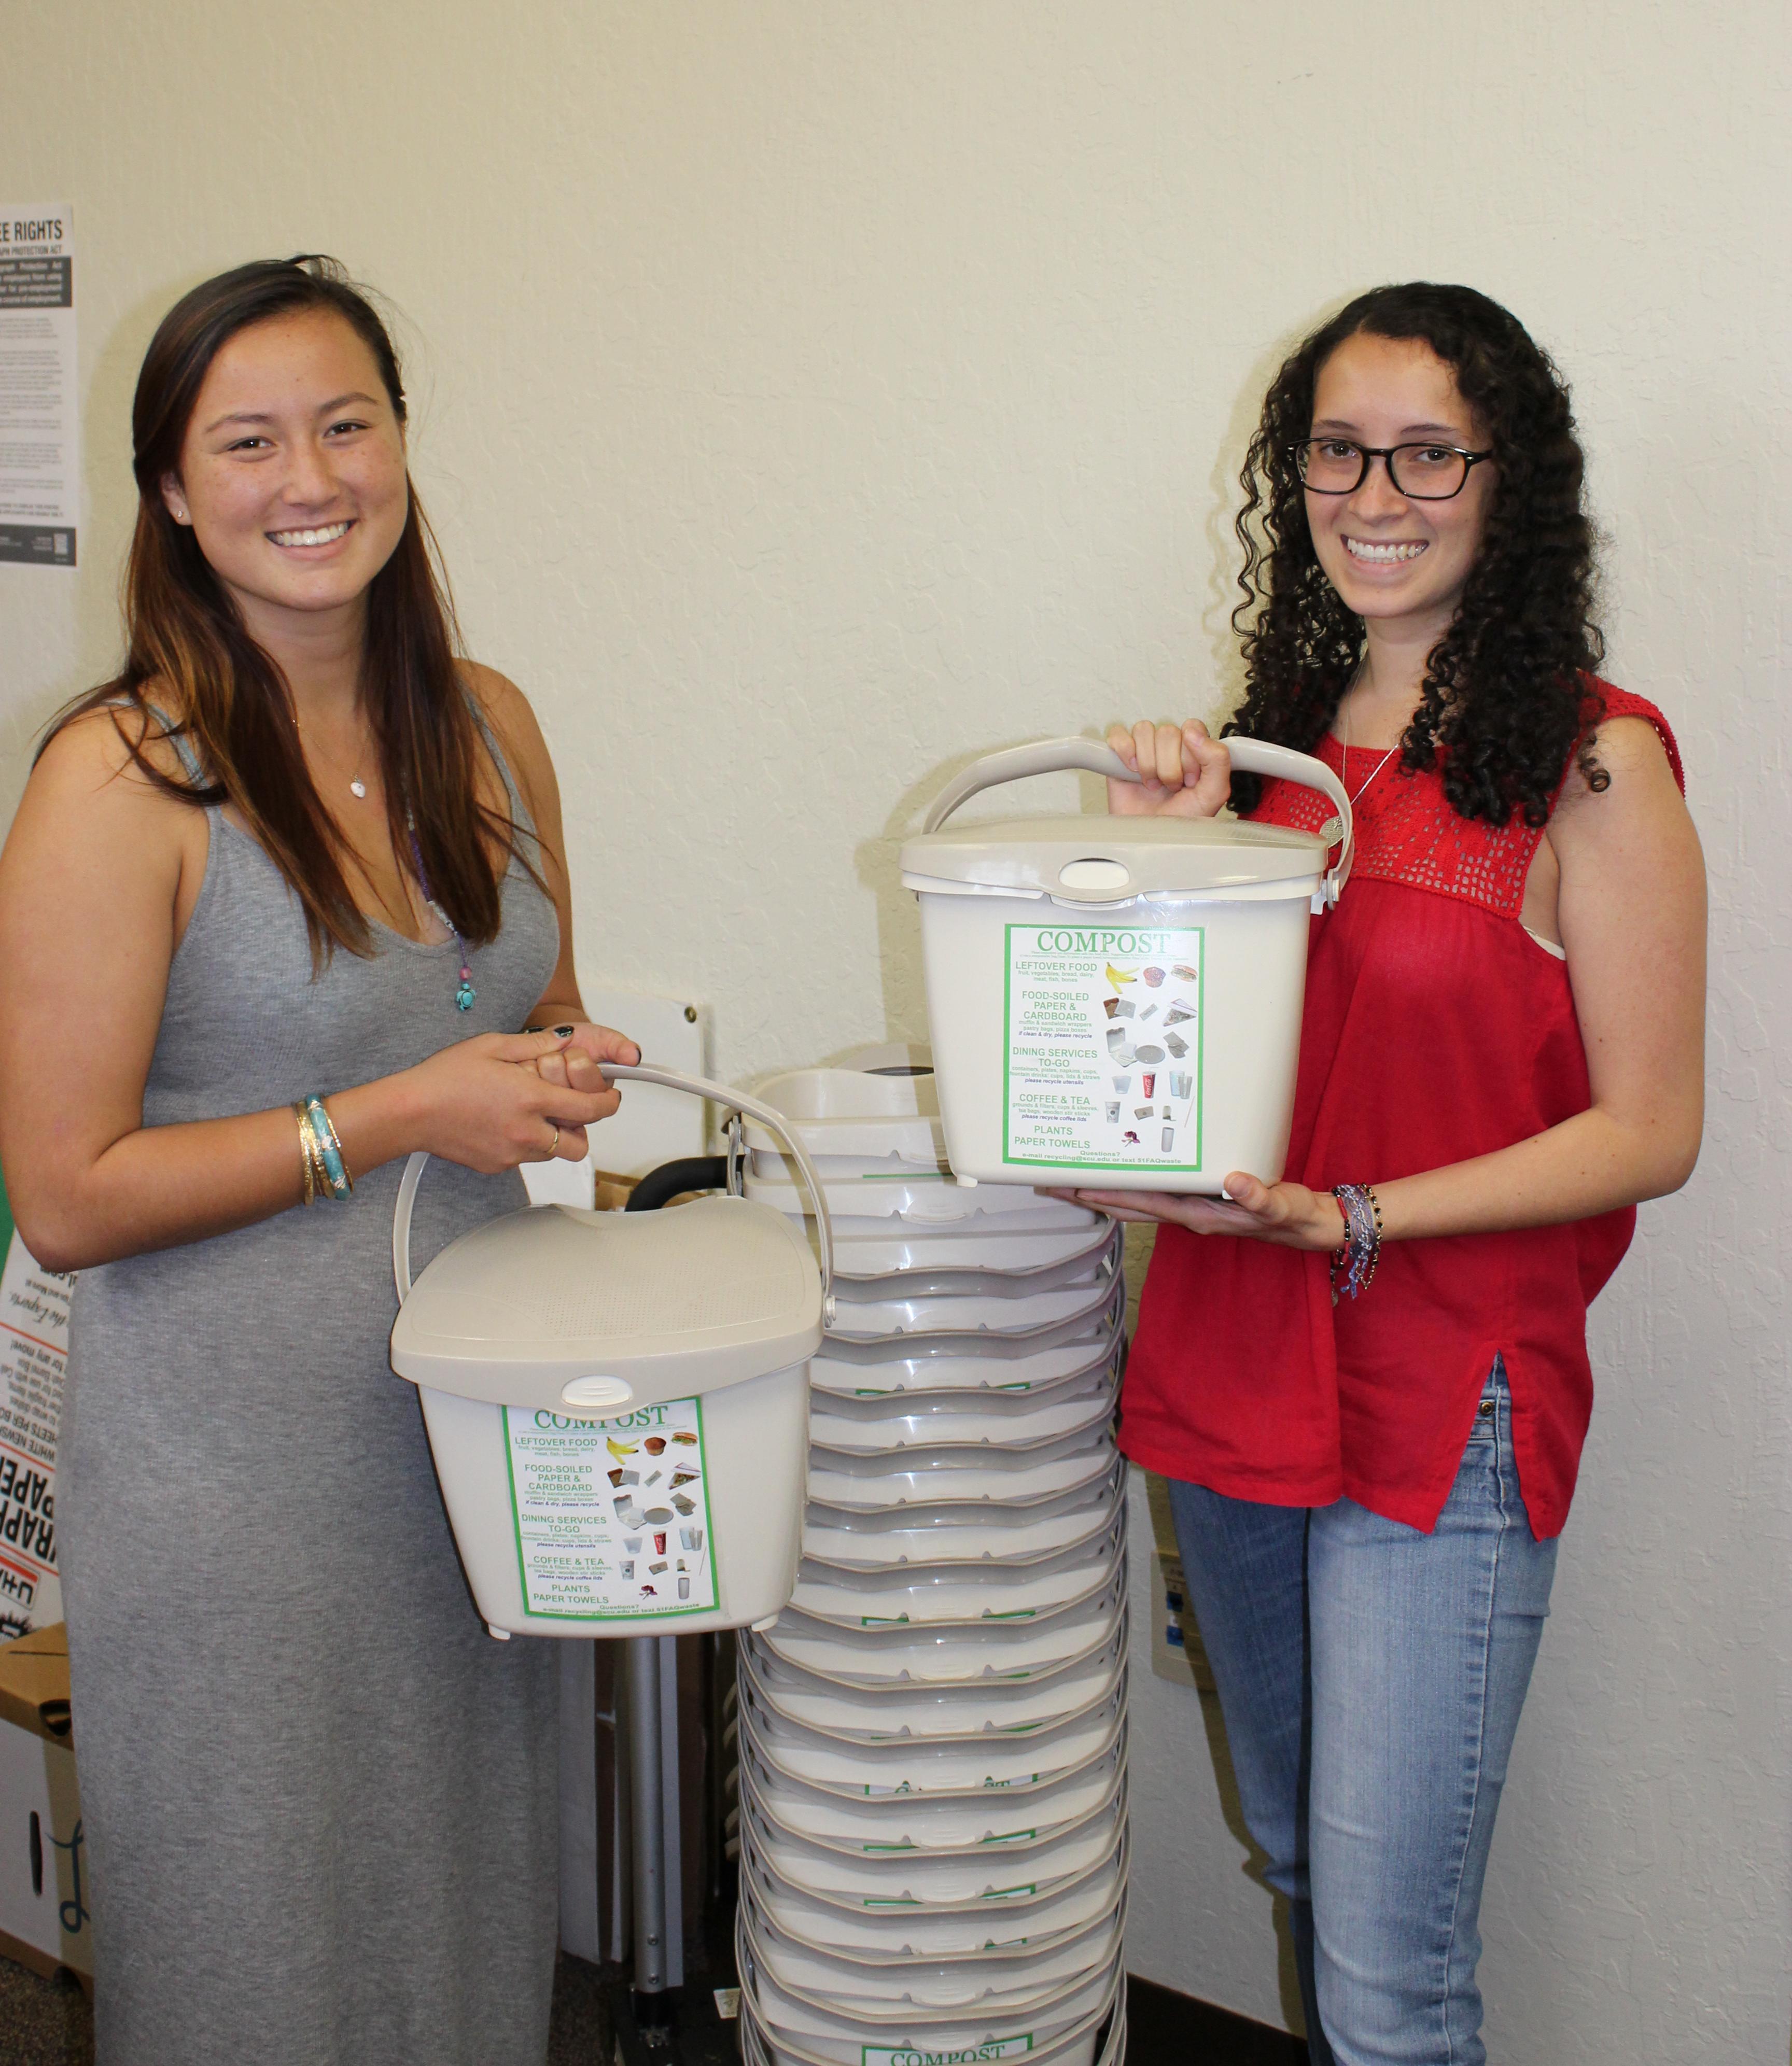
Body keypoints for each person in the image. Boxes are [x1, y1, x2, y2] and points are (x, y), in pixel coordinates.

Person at [0, 256, 640, 2065]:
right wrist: (398, 1113)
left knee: (470, 1917)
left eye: (347, 423)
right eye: (250, 439)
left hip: (470, 1448)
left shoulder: (490, 722)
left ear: (403, 450)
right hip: (234, 1493)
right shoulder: (117, 781)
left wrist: (559, 1069)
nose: (311, 477)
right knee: (263, 1954)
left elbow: (538, 1000)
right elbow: (65, 1192)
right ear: (176, 495)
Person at [1071, 285, 1705, 2065]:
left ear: (1512, 482)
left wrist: (1360, 1218)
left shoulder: (1594, 758)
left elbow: (1650, 1129)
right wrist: (1151, 880)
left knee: (1390, 1978)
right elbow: (1185, 1086)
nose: (1377, 491)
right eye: (1338, 449)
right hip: (1230, 1373)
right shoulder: (1264, 754)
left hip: (1444, 1396)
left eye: (1430, 450)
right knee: (1295, 1859)